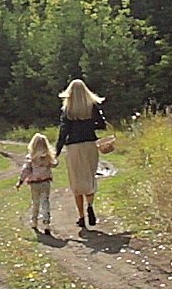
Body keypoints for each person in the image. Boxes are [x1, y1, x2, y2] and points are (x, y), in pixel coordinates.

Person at [54, 78, 107, 231]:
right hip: (90, 145)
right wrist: (90, 124)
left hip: (74, 148)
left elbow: (63, 133)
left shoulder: (67, 111)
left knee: (76, 182)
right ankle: (90, 205)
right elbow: (102, 124)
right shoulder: (92, 107)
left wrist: (55, 153)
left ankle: (81, 217)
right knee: (89, 177)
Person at [14, 132, 57, 235]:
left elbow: (26, 170)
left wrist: (20, 181)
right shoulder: (48, 158)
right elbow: (55, 164)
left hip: (34, 183)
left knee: (35, 202)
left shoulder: (31, 158)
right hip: (45, 182)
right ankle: (46, 223)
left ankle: (34, 222)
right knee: (45, 202)